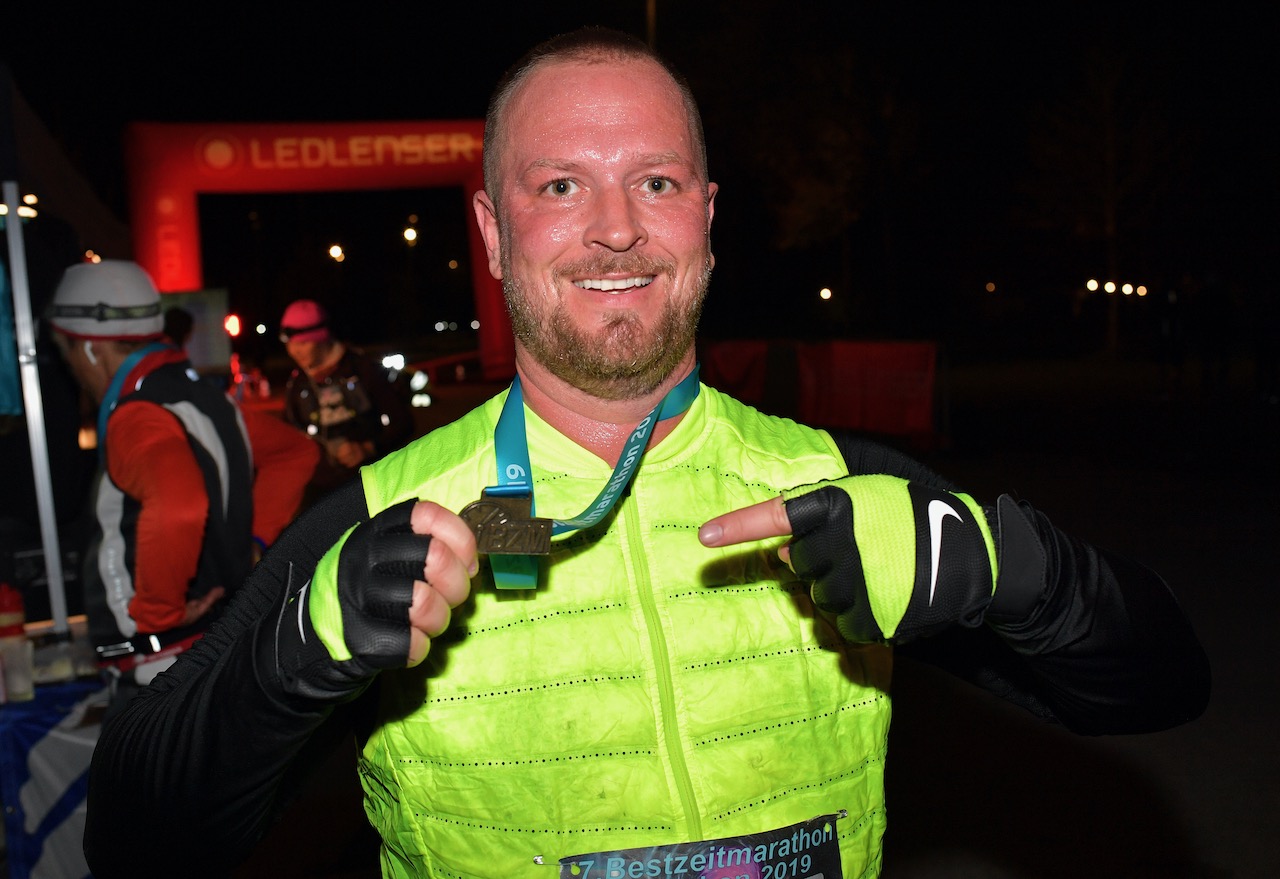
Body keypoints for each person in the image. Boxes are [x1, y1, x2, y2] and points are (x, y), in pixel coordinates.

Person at [83, 28, 1209, 879]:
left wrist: (1021, 573)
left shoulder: (838, 486)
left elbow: (1159, 687)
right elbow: (133, 835)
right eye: (560, 184)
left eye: (655, 182)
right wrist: (287, 656)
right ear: (491, 231)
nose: (615, 227)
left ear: (705, 217)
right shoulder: (376, 519)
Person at [45, 260, 319, 716]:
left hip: (156, 671)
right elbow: (296, 453)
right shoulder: (208, 401)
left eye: (70, 354)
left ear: (92, 349)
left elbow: (180, 507)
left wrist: (158, 615)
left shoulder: (136, 415)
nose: (73, 369)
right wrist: (253, 542)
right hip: (217, 649)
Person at [278, 298, 414, 491]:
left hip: (369, 484)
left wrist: (367, 448)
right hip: (319, 493)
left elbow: (404, 423)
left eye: (304, 343)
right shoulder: (297, 383)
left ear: (322, 338)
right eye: (289, 343)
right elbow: (287, 434)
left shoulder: (362, 369)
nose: (294, 351)